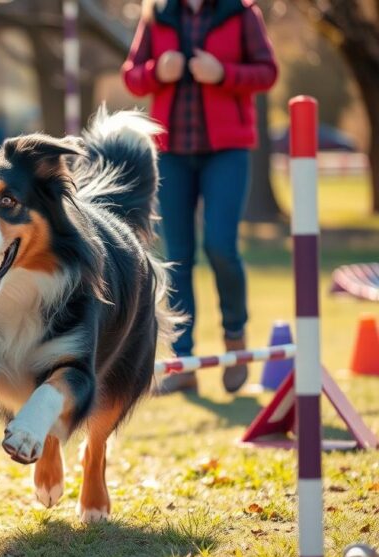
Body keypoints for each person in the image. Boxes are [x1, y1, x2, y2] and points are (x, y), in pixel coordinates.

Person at [121, 0, 278, 394]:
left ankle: (235, 339)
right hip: (171, 154)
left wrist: (223, 73)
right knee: (177, 256)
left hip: (228, 151)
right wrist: (159, 71)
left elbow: (267, 72)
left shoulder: (241, 13)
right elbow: (133, 77)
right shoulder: (156, 14)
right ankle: (184, 361)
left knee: (221, 246)